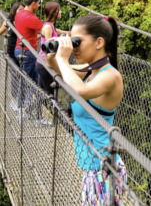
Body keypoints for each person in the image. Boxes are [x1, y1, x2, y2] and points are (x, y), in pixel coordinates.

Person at [45, 14, 126, 206]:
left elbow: (80, 90)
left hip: (104, 167)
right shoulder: (90, 70)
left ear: (99, 42)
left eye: (77, 41)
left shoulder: (111, 76)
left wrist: (63, 60)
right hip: (91, 165)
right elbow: (58, 68)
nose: (74, 47)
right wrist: (53, 55)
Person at [36, 1, 69, 95]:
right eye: (59, 10)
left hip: (42, 63)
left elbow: (60, 31)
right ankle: (49, 109)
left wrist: (73, 33)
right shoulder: (48, 27)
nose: (61, 12)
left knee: (41, 92)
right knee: (49, 94)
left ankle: (35, 108)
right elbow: (49, 48)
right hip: (45, 64)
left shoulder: (50, 26)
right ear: (54, 12)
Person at [14, 0, 43, 83]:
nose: (39, 6)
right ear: (33, 3)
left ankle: (30, 97)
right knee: (26, 83)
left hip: (19, 49)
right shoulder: (31, 18)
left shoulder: (19, 14)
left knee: (35, 80)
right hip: (28, 52)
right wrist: (68, 32)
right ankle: (21, 98)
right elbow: (47, 29)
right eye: (38, 3)